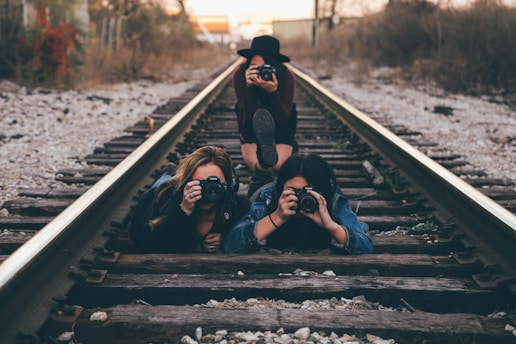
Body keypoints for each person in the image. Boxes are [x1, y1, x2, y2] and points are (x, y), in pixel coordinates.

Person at [223, 153, 373, 254]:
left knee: (359, 227)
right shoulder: (269, 197)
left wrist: (330, 225)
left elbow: (365, 247)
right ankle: (262, 170)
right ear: (279, 190)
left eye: (308, 192)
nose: (302, 198)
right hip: (262, 191)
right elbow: (231, 244)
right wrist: (277, 217)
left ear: (322, 192)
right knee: (253, 196)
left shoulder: (333, 200)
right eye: (292, 191)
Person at [130, 146, 250, 253]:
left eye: (214, 183)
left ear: (226, 185)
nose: (208, 190)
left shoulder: (231, 204)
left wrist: (225, 237)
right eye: (199, 183)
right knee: (164, 182)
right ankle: (169, 173)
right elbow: (145, 243)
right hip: (169, 189)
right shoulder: (165, 198)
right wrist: (183, 211)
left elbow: (249, 228)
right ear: (187, 183)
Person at [233, 35, 297, 198]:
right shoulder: (240, 75)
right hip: (251, 128)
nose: (260, 72)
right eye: (255, 66)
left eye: (265, 67)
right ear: (248, 64)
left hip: (281, 126)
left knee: (278, 165)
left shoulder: (286, 77)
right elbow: (246, 120)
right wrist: (249, 87)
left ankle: (282, 146)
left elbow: (283, 120)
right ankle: (265, 147)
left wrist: (273, 92)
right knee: (257, 165)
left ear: (274, 66)